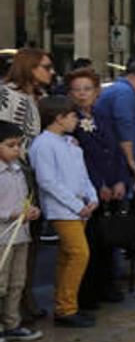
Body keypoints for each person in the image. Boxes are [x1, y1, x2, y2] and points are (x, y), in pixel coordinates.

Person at [30, 97, 100, 329]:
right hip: (62, 209)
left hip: (80, 207)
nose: (76, 121)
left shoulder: (69, 142)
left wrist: (92, 196)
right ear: (59, 118)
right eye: (72, 116)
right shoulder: (43, 144)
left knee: (67, 257)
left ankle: (65, 305)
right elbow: (47, 181)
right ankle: (66, 307)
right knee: (79, 254)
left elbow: (82, 174)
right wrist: (76, 205)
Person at [66, 69, 132, 310]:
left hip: (112, 184)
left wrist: (120, 180)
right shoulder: (69, 120)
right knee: (90, 244)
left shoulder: (102, 115)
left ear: (96, 92)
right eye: (77, 89)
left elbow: (116, 150)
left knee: (108, 240)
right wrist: (98, 185)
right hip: (87, 190)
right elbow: (80, 158)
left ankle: (107, 285)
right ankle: (87, 294)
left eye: (87, 89)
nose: (82, 94)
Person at [0, 122, 41, 342]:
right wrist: (12, 214)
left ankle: (12, 324)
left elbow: (25, 198)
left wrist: (30, 210)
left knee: (17, 282)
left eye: (19, 145)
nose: (16, 150)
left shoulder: (19, 170)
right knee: (0, 283)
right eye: (10, 145)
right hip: (2, 236)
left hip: (21, 235)